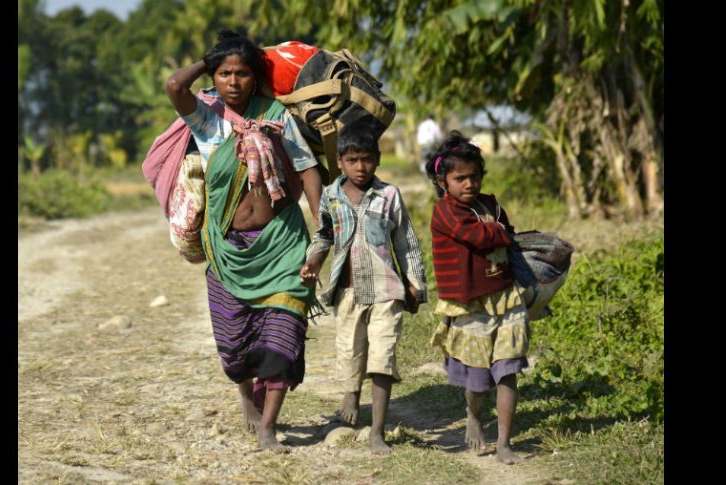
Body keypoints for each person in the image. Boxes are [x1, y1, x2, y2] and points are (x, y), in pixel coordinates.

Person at [164, 29, 323, 452]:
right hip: (229, 249)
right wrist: (209, 56)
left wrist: (323, 227)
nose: (233, 82)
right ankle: (244, 394)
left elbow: (307, 168)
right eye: (224, 73)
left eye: (243, 73)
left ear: (257, 77)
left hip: (283, 241)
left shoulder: (276, 114)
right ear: (214, 77)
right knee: (235, 348)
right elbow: (175, 86)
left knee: (284, 336)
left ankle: (269, 427)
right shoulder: (207, 118)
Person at [299, 126, 427, 454]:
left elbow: (406, 242)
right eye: (352, 160)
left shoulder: (389, 196)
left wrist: (415, 283)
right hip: (348, 292)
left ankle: (378, 432)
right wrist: (314, 260)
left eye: (367, 160)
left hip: (386, 290)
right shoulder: (331, 195)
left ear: (378, 160)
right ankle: (352, 394)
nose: (360, 167)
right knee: (351, 351)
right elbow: (325, 234)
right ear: (339, 162)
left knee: (383, 357)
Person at [424, 130, 529, 464]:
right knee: (479, 379)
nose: (468, 184)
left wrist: (501, 233)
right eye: (460, 178)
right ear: (443, 182)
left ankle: (503, 443)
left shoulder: (491, 204)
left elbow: (508, 235)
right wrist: (499, 233)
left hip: (506, 297)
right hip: (471, 303)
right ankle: (473, 415)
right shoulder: (444, 212)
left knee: (507, 370)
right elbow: (478, 236)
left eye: (474, 177)